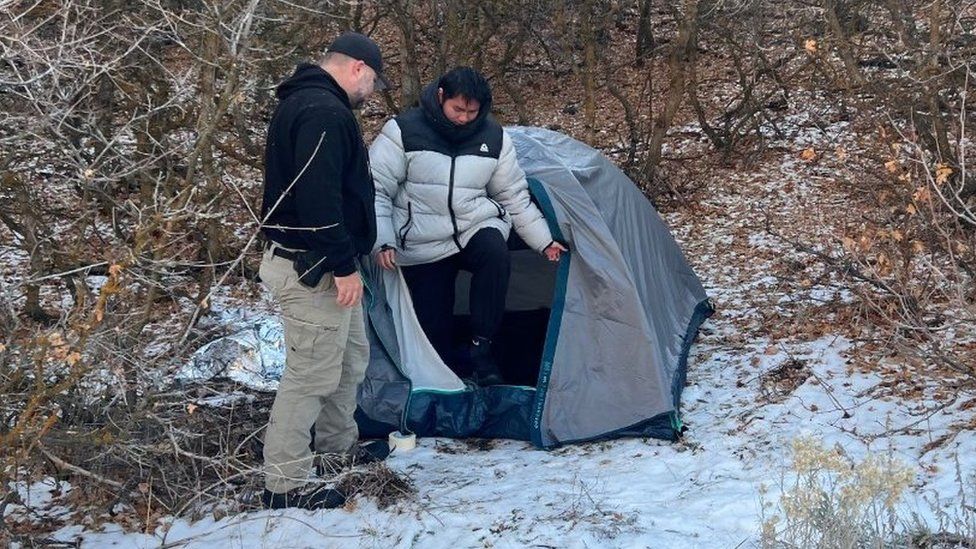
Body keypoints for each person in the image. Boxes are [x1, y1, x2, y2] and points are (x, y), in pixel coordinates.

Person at [258, 31, 391, 510]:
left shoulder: (312, 104)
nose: (371, 92)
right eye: (373, 81)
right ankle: (284, 483)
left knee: (350, 359)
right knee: (311, 374)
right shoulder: (323, 112)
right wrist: (342, 265)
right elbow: (317, 203)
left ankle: (336, 451)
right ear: (356, 67)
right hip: (313, 268)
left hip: (328, 265)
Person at [369, 67, 567, 386]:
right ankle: (444, 368)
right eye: (457, 109)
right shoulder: (403, 131)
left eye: (472, 112)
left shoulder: (493, 137)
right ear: (440, 97)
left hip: (474, 225)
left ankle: (482, 347)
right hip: (421, 237)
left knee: (495, 252)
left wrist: (544, 240)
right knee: (433, 324)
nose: (464, 118)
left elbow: (512, 194)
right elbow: (376, 187)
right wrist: (383, 240)